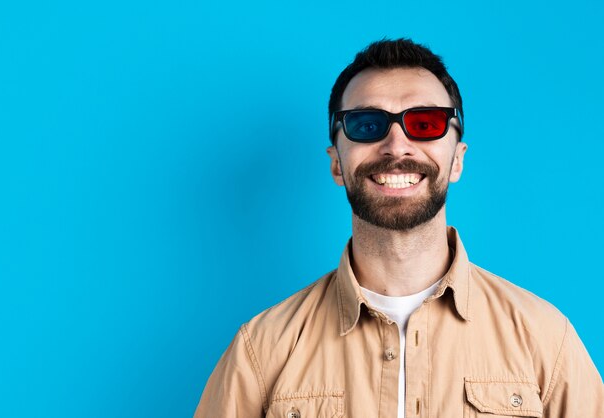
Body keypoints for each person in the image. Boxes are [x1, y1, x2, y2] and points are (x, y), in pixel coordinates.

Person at [194, 38, 603, 418]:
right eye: (367, 125)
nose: (396, 146)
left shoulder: (546, 340)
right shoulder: (262, 351)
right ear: (337, 162)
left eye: (424, 124)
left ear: (457, 159)